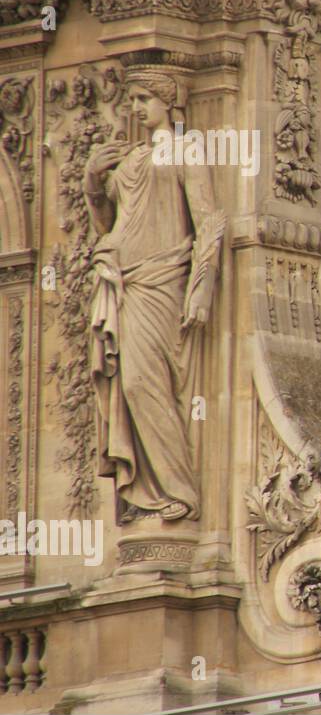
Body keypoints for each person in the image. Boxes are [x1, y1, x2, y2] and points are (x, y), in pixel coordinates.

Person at [84, 70, 223, 522]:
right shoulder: (128, 160)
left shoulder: (185, 150)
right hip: (123, 281)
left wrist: (201, 288)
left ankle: (177, 489)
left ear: (168, 101)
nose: (137, 107)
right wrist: (92, 182)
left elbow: (209, 223)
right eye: (132, 99)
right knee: (128, 384)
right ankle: (144, 492)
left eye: (145, 98)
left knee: (148, 384)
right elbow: (108, 225)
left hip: (162, 282)